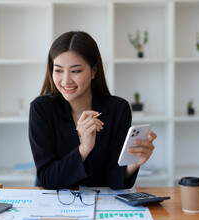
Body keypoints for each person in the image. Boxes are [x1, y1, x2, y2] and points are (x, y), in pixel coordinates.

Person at [29, 31, 157, 189]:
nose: (66, 80)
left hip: (102, 205)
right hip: (54, 205)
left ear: (94, 71)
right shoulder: (42, 109)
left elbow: (113, 178)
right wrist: (84, 148)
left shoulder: (118, 109)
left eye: (76, 71)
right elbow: (47, 178)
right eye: (58, 70)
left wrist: (134, 163)